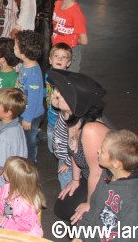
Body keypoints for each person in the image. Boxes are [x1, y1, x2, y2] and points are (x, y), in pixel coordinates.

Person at [48, 69, 111, 224]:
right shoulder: (70, 116)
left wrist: (89, 204)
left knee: (80, 220)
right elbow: (74, 152)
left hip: (107, 182)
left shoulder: (91, 130)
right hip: (87, 176)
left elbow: (98, 172)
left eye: (61, 93)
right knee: (62, 209)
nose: (56, 93)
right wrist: (75, 180)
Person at [74, 130, 138, 242]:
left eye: (103, 151)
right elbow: (94, 208)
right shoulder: (107, 176)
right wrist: (80, 236)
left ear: (116, 163)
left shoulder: (135, 200)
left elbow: (132, 237)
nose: (98, 151)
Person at [0, 157, 45, 237]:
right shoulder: (6, 187)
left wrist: (5, 222)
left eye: (6, 170)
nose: (3, 171)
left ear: (13, 178)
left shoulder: (26, 204)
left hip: (22, 232)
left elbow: (27, 226)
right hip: (4, 220)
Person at [14, 30, 46, 164]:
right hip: (24, 110)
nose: (13, 48)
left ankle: (30, 162)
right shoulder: (26, 65)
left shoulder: (33, 74)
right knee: (24, 136)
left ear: (24, 52)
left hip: (31, 115)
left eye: (16, 46)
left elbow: (34, 100)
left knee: (29, 141)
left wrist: (28, 118)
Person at [45, 43, 73, 189]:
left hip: (61, 121)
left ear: (69, 63)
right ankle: (57, 152)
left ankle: (65, 162)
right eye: (56, 56)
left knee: (61, 144)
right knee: (52, 144)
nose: (59, 59)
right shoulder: (48, 74)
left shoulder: (68, 81)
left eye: (64, 57)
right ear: (50, 60)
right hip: (50, 117)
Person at [52, 0, 88, 72]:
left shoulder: (76, 13)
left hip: (70, 51)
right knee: (56, 75)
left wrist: (71, 39)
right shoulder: (58, 4)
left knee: (69, 76)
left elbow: (84, 40)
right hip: (56, 48)